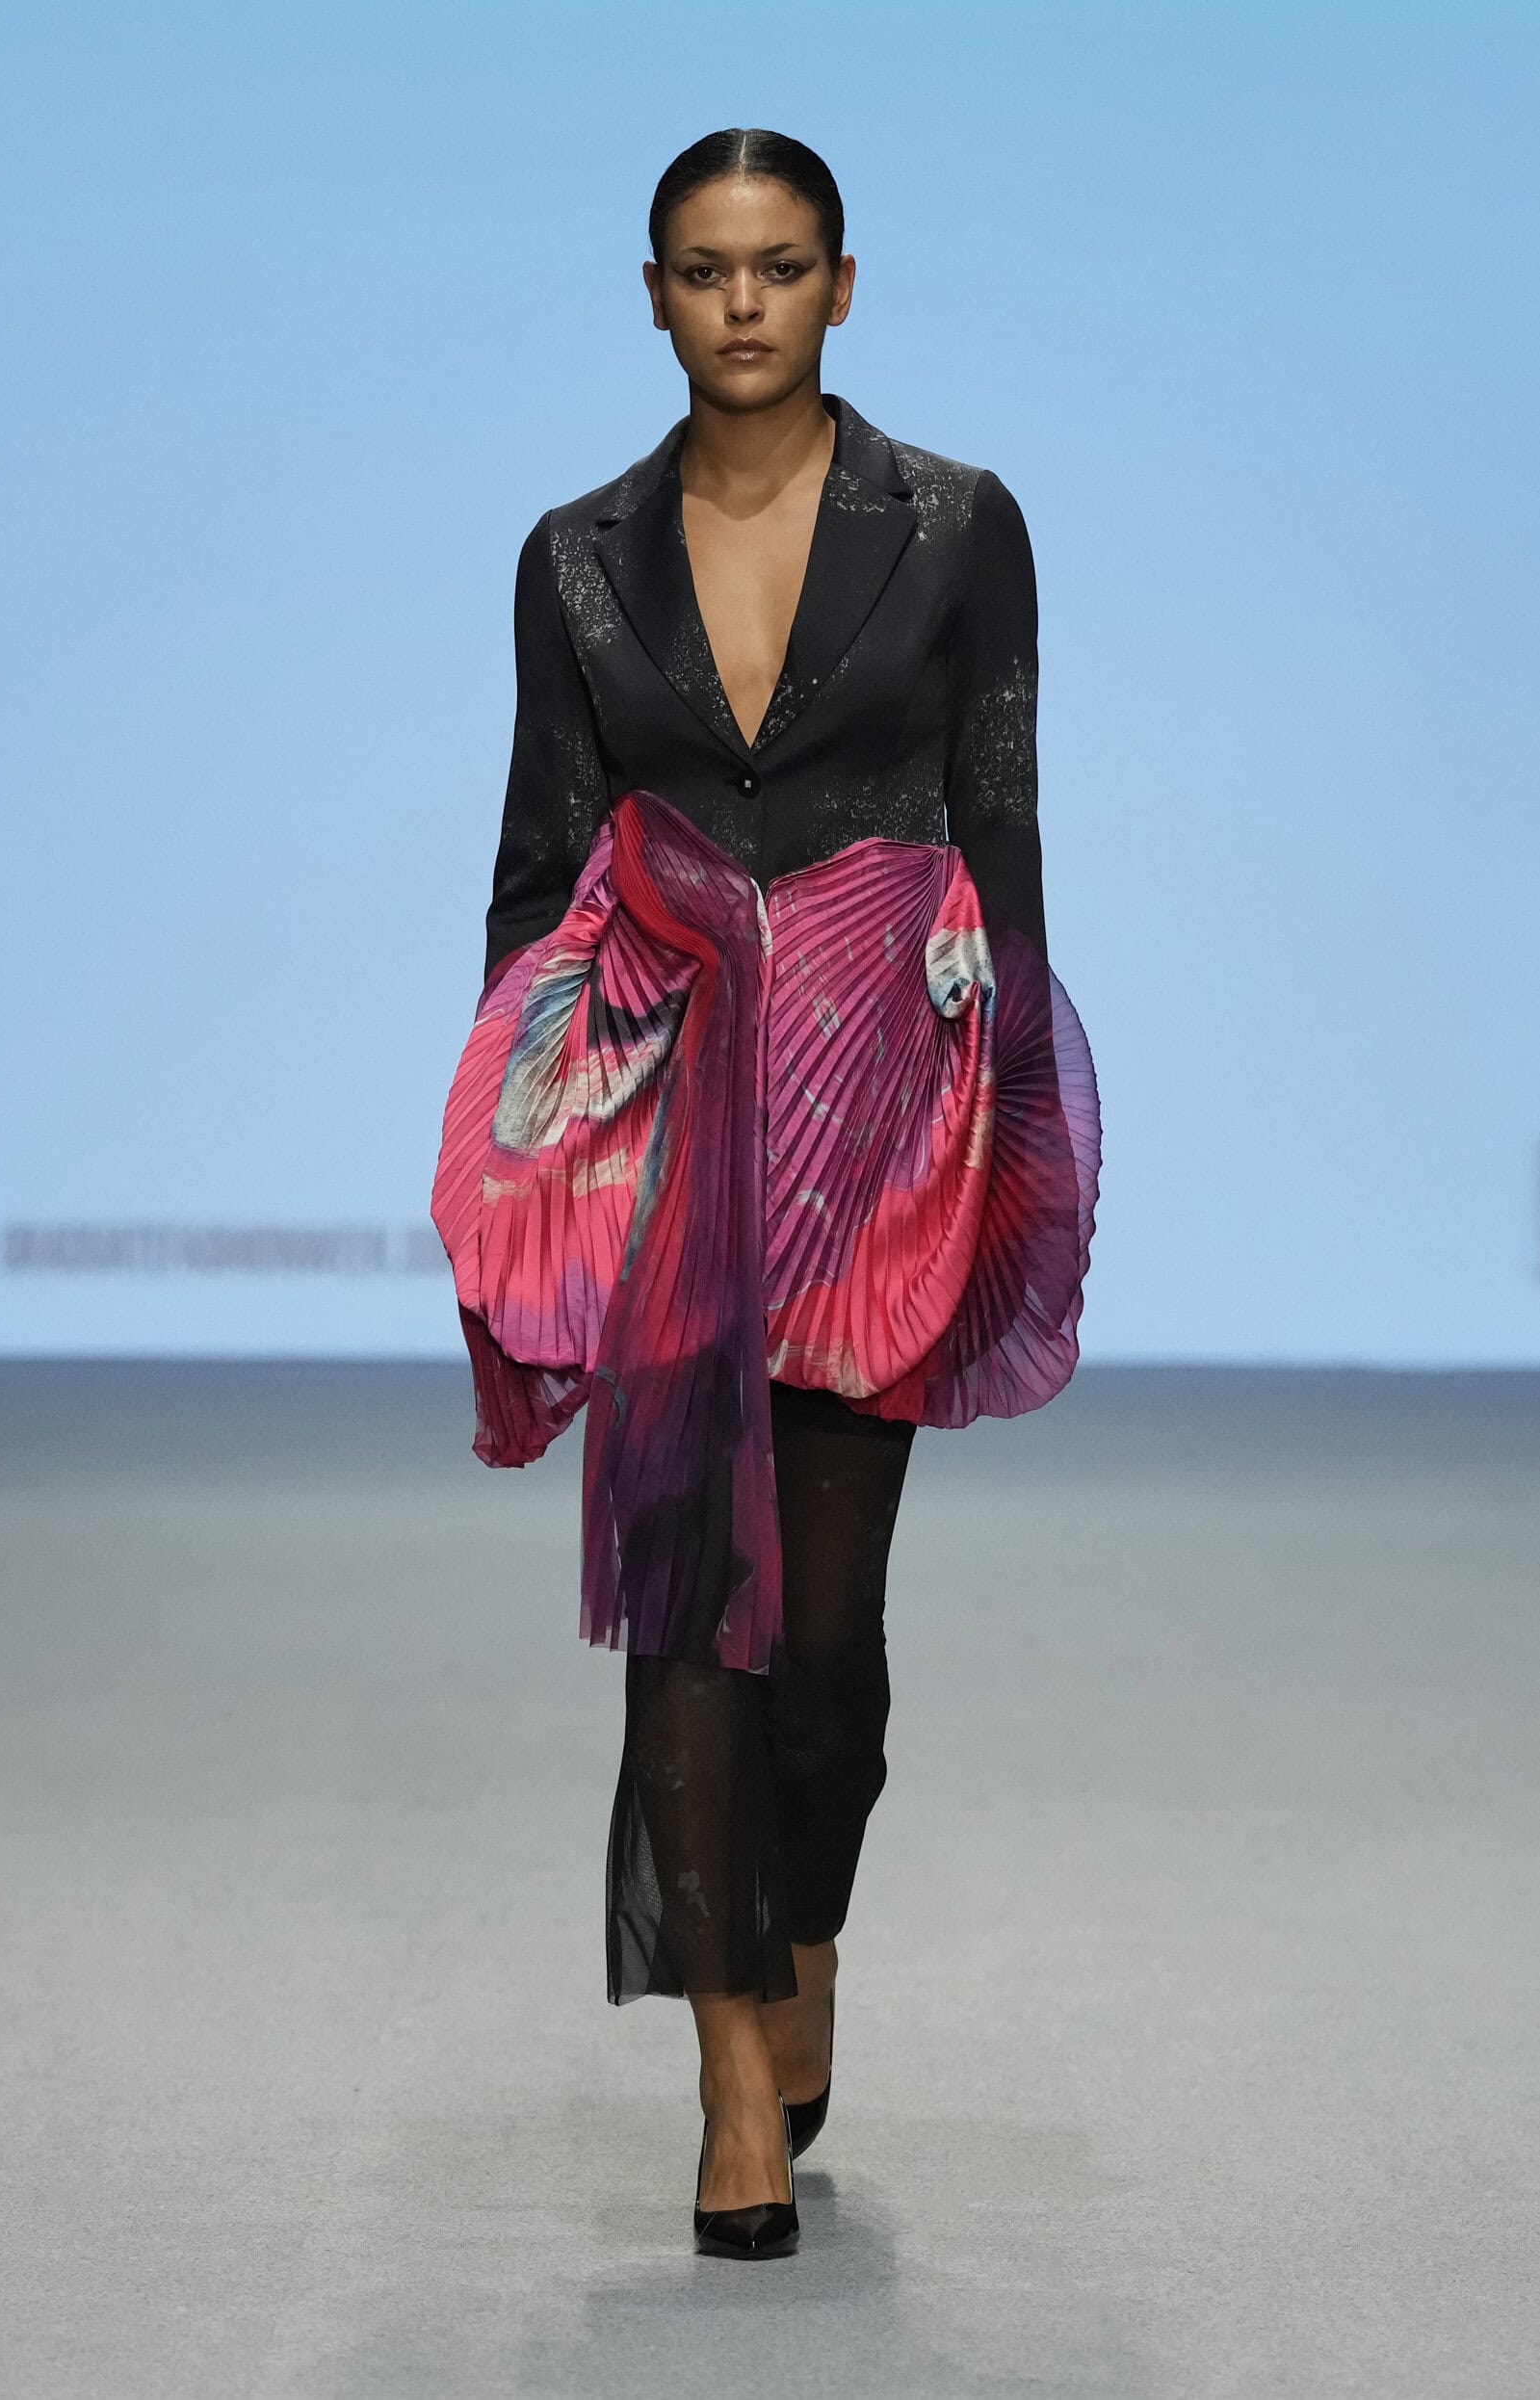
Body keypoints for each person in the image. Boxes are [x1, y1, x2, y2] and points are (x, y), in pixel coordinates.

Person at [431, 127, 1099, 2259]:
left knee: (822, 1642)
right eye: (707, 269)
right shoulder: (576, 560)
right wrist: (519, 1131)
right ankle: (731, 2065)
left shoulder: (959, 526)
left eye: (781, 264)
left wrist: (1013, 1120)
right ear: (653, 293)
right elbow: (542, 861)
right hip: (661, 1116)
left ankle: (801, 1929)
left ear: (841, 285)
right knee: (687, 1611)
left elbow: (1000, 828)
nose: (743, 301)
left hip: (879, 1121)